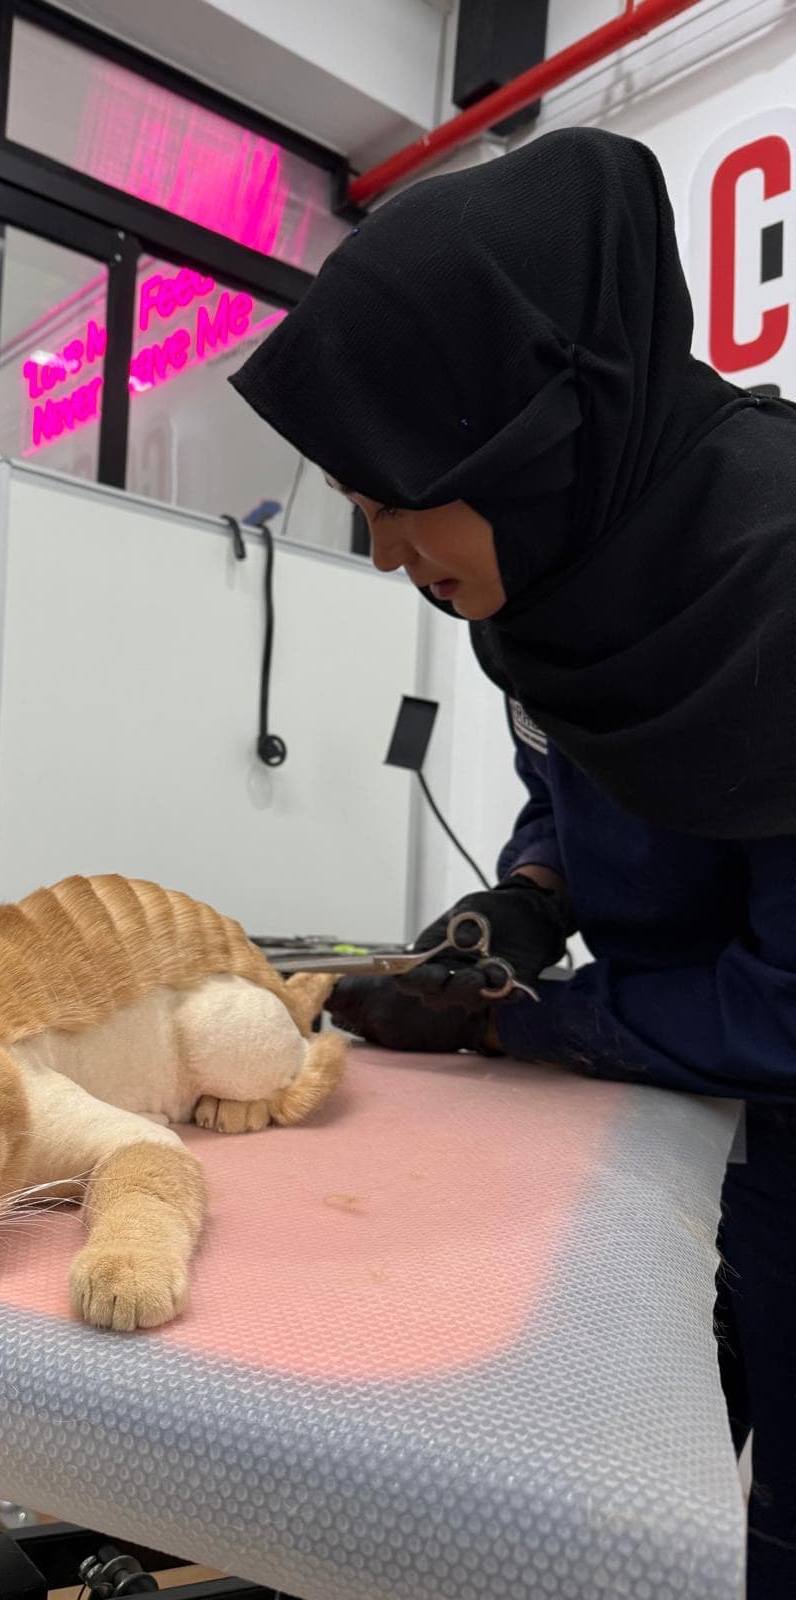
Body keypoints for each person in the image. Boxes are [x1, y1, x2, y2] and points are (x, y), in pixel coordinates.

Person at [228, 126, 796, 1598]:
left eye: (389, 492)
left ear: (535, 429)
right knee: (611, 1484)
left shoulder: (779, 582)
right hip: (676, 1090)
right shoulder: (541, 580)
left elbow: (790, 1004)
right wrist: (529, 904)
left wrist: (519, 1023)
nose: (377, 550)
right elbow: (580, 774)